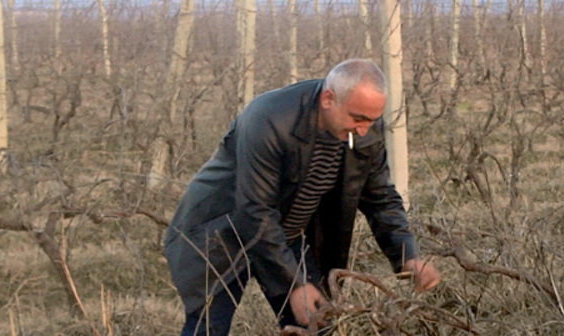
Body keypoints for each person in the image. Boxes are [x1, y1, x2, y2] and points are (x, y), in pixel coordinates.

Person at [164, 58, 440, 335]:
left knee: (316, 323)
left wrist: (407, 254)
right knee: (208, 328)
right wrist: (293, 282)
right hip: (219, 233)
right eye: (357, 118)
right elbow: (254, 210)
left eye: (372, 120)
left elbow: (380, 198)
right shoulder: (269, 118)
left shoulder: (364, 129)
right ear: (329, 99)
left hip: (283, 235)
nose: (364, 129)